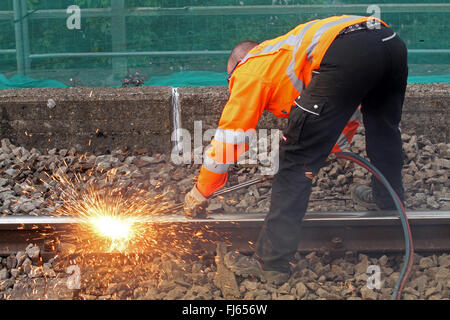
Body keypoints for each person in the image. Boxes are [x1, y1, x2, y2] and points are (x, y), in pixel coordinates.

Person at [184, 15, 408, 284]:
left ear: (235, 67)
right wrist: (328, 146)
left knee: (294, 159)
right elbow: (343, 105)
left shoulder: (250, 70)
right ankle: (389, 201)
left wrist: (202, 190)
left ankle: (271, 262)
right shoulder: (291, 58)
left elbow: (230, 137)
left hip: (349, 48)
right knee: (384, 130)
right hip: (390, 44)